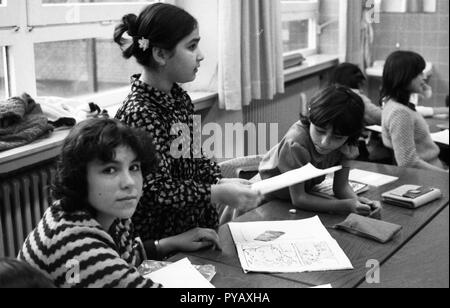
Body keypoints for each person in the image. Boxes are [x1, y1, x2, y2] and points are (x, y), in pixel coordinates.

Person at [113, 3, 261, 241]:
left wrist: (219, 179)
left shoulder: (179, 98)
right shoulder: (140, 114)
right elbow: (153, 191)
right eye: (192, 46)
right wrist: (216, 192)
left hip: (196, 229)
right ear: (160, 54)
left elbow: (194, 160)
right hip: (165, 242)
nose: (201, 55)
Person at [18, 118, 221, 288]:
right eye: (110, 170)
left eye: (134, 167)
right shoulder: (81, 251)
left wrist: (168, 243)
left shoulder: (96, 213)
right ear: (80, 177)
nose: (129, 183)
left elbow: (125, 256)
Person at [258, 86, 379, 215]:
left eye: (337, 137)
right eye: (320, 131)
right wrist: (346, 205)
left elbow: (341, 187)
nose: (325, 142)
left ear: (350, 135)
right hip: (272, 199)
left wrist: (359, 204)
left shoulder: (347, 142)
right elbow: (299, 199)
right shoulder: (296, 145)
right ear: (310, 119)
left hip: (305, 194)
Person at [381, 50, 447, 172]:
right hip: (430, 177)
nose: (424, 77)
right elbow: (408, 162)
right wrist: (445, 175)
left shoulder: (394, 104)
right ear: (405, 77)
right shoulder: (400, 113)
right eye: (419, 74)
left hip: (433, 170)